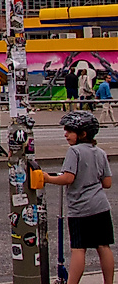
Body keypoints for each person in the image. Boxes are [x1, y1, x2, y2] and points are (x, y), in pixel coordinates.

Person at [45, 111, 114, 284]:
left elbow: (68, 178)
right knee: (103, 246)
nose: (65, 134)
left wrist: (46, 178)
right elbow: (107, 182)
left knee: (78, 248)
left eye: (69, 131)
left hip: (80, 208)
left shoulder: (74, 152)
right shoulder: (100, 152)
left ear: (82, 134)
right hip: (101, 206)